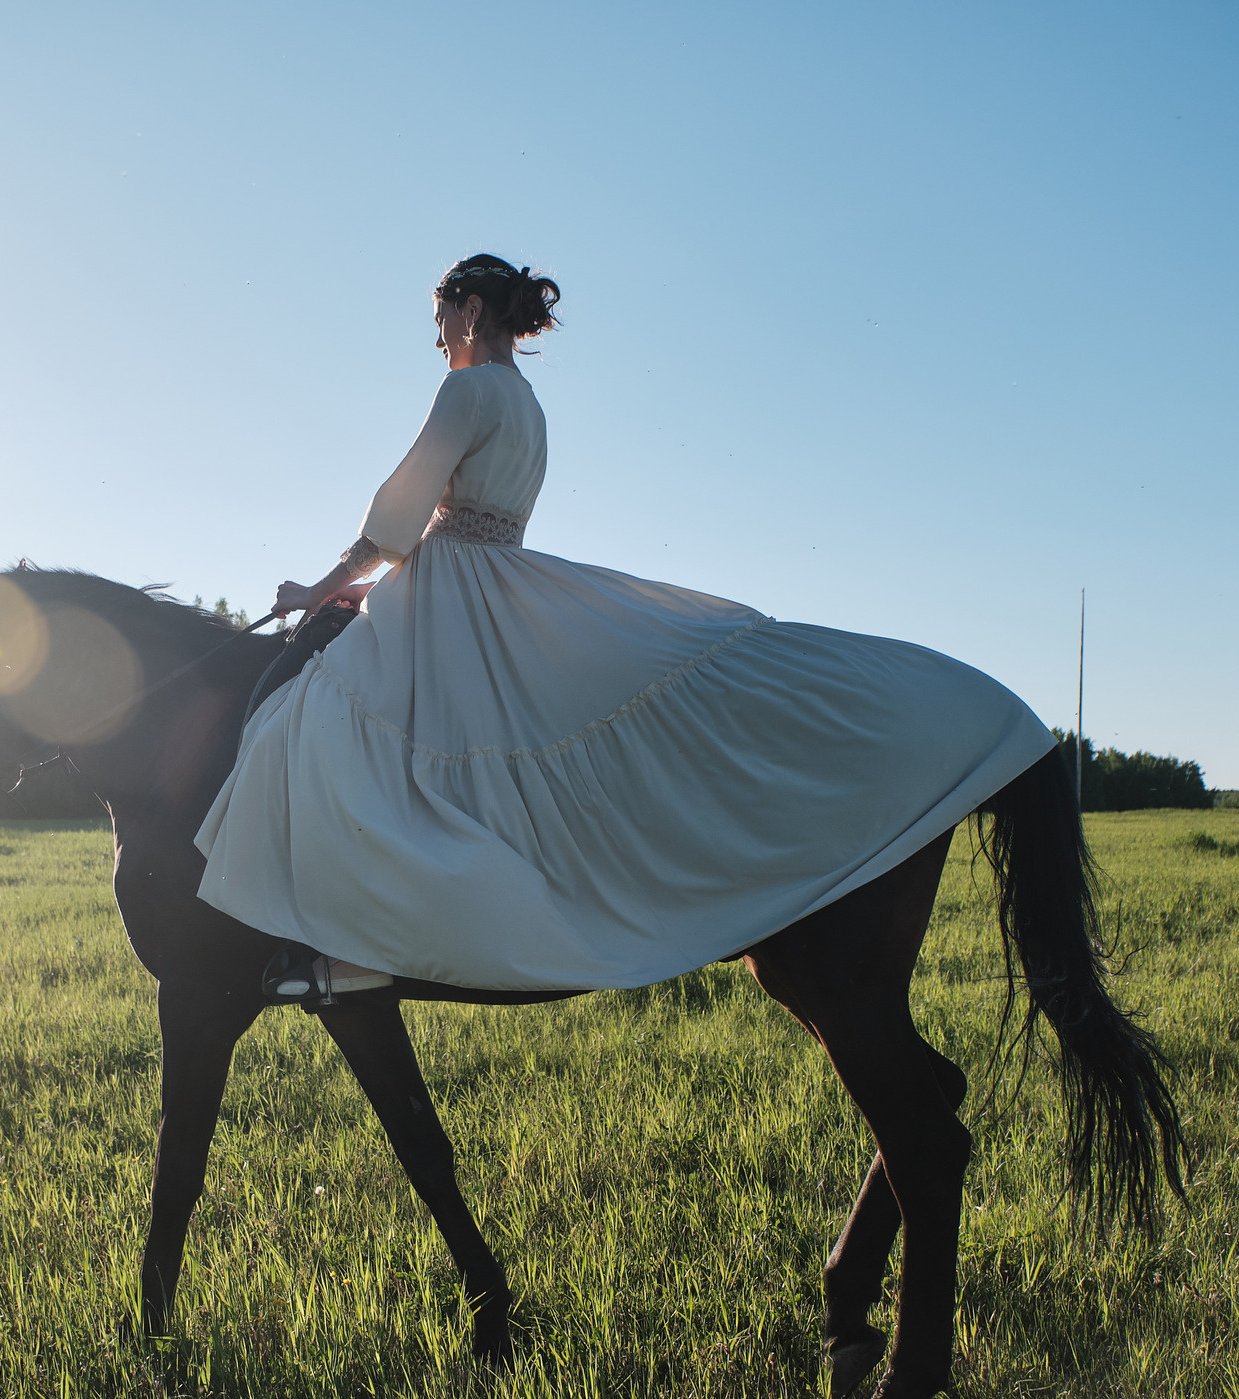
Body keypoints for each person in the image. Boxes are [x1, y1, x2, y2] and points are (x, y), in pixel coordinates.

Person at [195, 255, 1053, 1000]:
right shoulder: (527, 402)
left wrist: (317, 588)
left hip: (451, 591)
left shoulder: (466, 388)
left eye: (441, 319)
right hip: (504, 582)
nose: (437, 338)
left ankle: (347, 959)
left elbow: (396, 524)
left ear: (471, 311)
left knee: (308, 734)